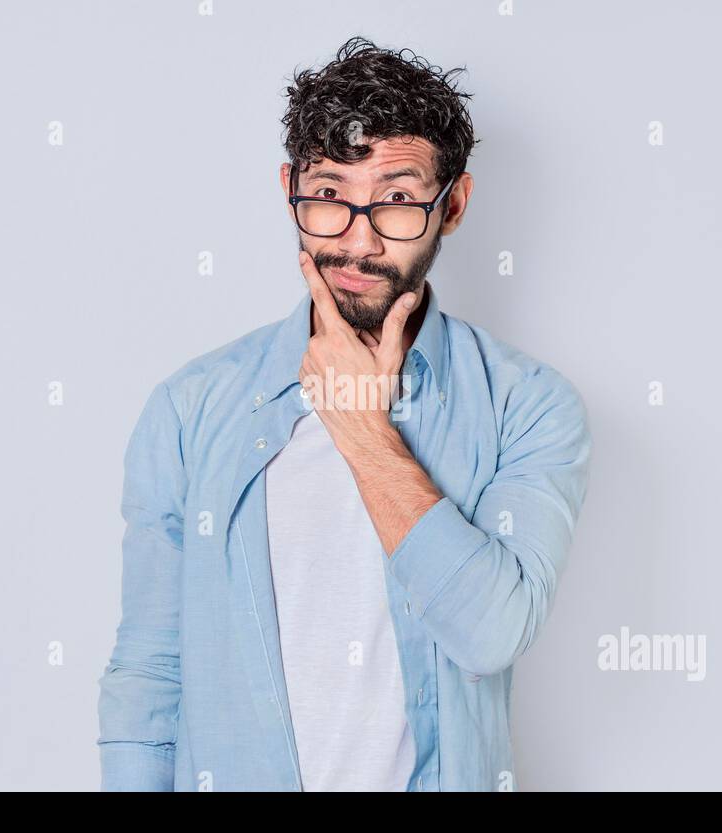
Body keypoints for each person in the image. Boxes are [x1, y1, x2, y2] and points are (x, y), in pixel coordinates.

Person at [97, 36, 592, 792]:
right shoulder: (190, 409)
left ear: (452, 204)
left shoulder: (528, 406)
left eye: (396, 200)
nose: (358, 241)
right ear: (291, 187)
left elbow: (491, 631)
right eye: (329, 194)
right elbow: (151, 670)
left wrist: (362, 426)